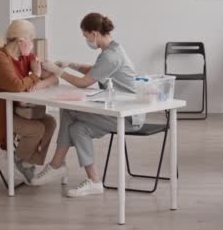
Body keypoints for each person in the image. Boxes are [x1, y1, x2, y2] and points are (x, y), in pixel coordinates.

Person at [31, 12, 145, 198]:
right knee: (77, 129)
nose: (86, 40)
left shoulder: (111, 56)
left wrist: (58, 71)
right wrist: (71, 64)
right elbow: (95, 71)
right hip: (116, 107)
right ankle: (94, 181)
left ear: (94, 33)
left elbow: (84, 82)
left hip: (127, 115)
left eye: (86, 36)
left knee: (68, 110)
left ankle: (56, 165)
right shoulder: (111, 50)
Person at [0, 20, 57, 183]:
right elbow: (16, 86)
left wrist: (38, 80)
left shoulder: (26, 56)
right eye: (31, 40)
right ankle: (18, 159)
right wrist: (35, 77)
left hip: (13, 108)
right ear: (20, 41)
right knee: (36, 129)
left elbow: (52, 78)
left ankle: (25, 160)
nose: (32, 44)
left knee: (51, 122)